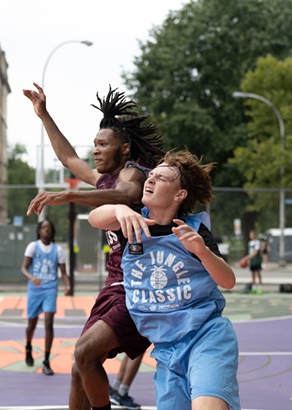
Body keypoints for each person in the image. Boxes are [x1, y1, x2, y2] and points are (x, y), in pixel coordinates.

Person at [23, 83, 164, 410]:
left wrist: (69, 195)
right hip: (113, 285)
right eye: (95, 144)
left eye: (103, 144)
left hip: (139, 286)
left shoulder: (133, 174)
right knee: (79, 368)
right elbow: (69, 157)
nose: (96, 150)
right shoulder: (102, 180)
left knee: (84, 354)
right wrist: (44, 115)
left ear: (124, 148)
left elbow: (126, 196)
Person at [88, 150, 241, 410]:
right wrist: (118, 208)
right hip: (166, 349)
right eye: (152, 175)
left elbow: (228, 281)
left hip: (205, 337)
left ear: (179, 195)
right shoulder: (132, 222)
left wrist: (202, 251)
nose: (150, 179)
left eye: (161, 178)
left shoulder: (193, 230)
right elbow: (94, 219)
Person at [21, 220, 70, 375]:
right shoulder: (33, 247)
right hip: (35, 289)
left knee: (48, 322)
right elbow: (23, 268)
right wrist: (31, 277)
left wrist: (67, 285)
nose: (46, 230)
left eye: (49, 228)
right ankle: (28, 347)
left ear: (52, 231)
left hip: (50, 288)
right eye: (43, 227)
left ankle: (46, 360)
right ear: (39, 231)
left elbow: (63, 272)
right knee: (32, 324)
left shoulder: (58, 250)